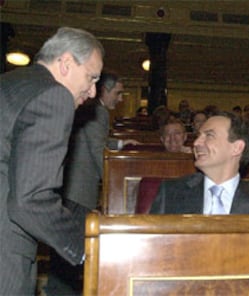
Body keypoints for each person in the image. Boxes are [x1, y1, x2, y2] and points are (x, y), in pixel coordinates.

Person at [0, 27, 104, 295]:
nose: (93, 92)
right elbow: (30, 200)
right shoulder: (54, 96)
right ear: (66, 64)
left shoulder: (10, 83)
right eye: (91, 78)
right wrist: (87, 248)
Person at [45, 73, 140, 294]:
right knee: (69, 252)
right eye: (117, 93)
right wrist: (114, 185)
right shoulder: (99, 111)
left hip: (71, 189)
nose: (120, 99)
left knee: (63, 250)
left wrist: (120, 142)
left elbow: (94, 138)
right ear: (104, 90)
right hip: (79, 193)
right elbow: (98, 151)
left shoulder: (90, 108)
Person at [150, 111, 249, 214]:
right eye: (198, 136)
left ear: (236, 147)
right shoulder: (171, 192)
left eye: (209, 136)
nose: (196, 143)